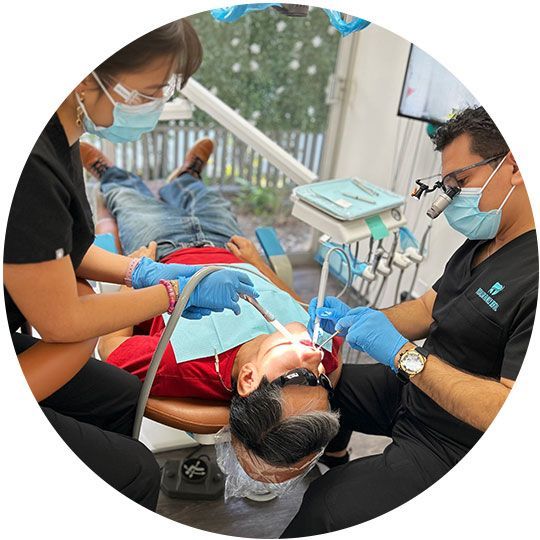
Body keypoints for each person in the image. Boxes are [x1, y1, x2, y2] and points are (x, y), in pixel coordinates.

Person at [3, 19, 258, 511]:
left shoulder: (61, 134)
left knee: (121, 396)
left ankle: (171, 177)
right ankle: (167, 177)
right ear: (84, 77)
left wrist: (139, 274)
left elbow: (68, 248)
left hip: (163, 261)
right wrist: (171, 292)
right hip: (176, 257)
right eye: (151, 90)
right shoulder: (30, 166)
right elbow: (64, 323)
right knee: (139, 471)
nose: (160, 102)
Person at [282, 106, 538, 536]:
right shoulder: (484, 241)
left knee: (327, 507)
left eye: (461, 182)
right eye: (448, 184)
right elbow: (426, 309)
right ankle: (336, 454)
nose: (451, 197)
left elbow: (502, 411)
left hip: (457, 439)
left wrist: (404, 356)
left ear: (513, 164)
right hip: (415, 393)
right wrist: (357, 320)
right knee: (317, 388)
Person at [81, 139, 342, 473]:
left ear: (248, 379)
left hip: (164, 252)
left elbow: (111, 347)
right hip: (228, 246)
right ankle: (187, 176)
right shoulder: (321, 344)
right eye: (321, 382)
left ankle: (109, 173)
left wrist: (133, 274)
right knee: (204, 197)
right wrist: (258, 263)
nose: (316, 360)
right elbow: (291, 301)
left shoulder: (182, 364)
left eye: (300, 376)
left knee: (129, 199)